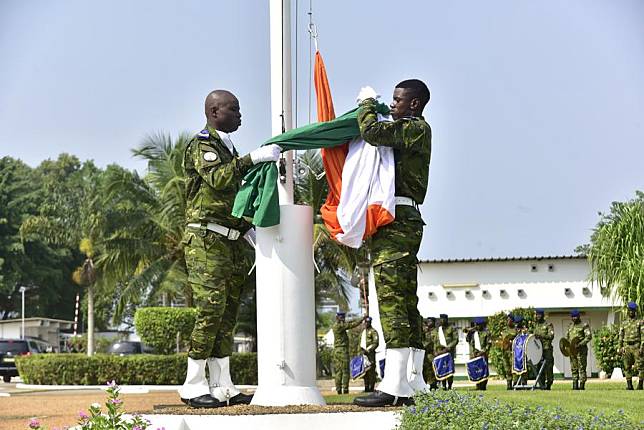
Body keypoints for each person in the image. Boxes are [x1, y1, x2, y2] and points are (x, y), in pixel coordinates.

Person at [178, 89, 281, 408]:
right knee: (210, 310)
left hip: (229, 240)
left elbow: (231, 199)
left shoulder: (225, 146)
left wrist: (246, 227)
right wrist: (252, 159)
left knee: (226, 315)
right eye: (233, 109)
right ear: (213, 111)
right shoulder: (203, 144)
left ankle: (223, 385)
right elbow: (219, 180)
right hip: (205, 240)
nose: (240, 115)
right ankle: (192, 385)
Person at [352, 79, 432, 407]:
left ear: (414, 104)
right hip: (400, 220)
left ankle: (396, 385)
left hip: (398, 223)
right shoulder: (411, 128)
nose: (393, 105)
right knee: (404, 300)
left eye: (398, 100)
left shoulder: (415, 128)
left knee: (391, 301)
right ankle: (413, 382)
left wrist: (366, 105)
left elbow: (373, 133)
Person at [333, 312, 365, 394]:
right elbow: (351, 325)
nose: (344, 319)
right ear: (340, 318)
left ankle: (338, 389)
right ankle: (345, 389)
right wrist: (362, 318)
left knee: (338, 371)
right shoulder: (339, 326)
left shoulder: (337, 325)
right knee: (345, 371)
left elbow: (349, 323)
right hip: (342, 350)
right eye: (342, 318)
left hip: (337, 351)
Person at [619, 302, 643, 390]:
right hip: (627, 347)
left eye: (633, 311)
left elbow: (643, 335)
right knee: (626, 366)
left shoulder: (640, 322)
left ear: (635, 311)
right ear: (628, 311)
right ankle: (629, 385)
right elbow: (621, 336)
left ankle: (640, 385)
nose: (631, 312)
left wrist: (642, 347)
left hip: (637, 346)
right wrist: (620, 347)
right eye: (630, 310)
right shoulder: (624, 323)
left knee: (640, 366)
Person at [566, 309, 592, 390]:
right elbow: (567, 338)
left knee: (582, 368)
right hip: (572, 351)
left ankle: (582, 385)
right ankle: (574, 385)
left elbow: (589, 336)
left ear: (578, 316)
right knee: (574, 368)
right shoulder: (570, 326)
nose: (573, 318)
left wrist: (580, 344)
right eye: (572, 317)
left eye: (575, 317)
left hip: (581, 350)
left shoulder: (584, 325)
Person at [532, 308, 555, 390]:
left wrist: (541, 336)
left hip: (546, 349)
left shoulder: (548, 324)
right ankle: (541, 384)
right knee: (539, 367)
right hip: (538, 350)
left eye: (539, 315)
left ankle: (549, 384)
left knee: (548, 367)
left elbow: (551, 336)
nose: (538, 316)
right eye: (537, 315)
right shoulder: (536, 325)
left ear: (542, 315)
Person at [466, 317, 490, 390]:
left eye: (479, 325)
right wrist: (469, 333)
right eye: (476, 325)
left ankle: (483, 386)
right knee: (476, 370)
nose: (477, 326)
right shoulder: (474, 333)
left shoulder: (486, 332)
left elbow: (489, 344)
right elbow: (468, 341)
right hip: (475, 354)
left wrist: (483, 351)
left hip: (483, 354)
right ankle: (478, 385)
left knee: (484, 370)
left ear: (482, 325)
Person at [435, 313, 458, 390]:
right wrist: (436, 350)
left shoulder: (452, 328)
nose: (442, 320)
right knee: (442, 369)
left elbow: (456, 339)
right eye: (441, 319)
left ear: (446, 320)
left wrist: (448, 347)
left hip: (449, 353)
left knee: (449, 369)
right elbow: (436, 340)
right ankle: (444, 386)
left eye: (443, 319)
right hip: (440, 352)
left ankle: (450, 386)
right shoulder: (439, 329)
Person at [360, 316, 380, 392]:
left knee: (371, 371)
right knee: (365, 371)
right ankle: (366, 388)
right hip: (363, 354)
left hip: (370, 354)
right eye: (365, 322)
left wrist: (368, 350)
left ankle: (371, 388)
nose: (366, 324)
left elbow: (375, 343)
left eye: (368, 322)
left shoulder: (373, 331)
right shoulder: (363, 332)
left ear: (370, 323)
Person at [498, 313, 517, 390]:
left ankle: (515, 383)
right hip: (505, 351)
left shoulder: (515, 330)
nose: (508, 321)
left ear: (512, 321)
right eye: (507, 319)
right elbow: (501, 338)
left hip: (512, 351)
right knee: (507, 368)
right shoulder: (504, 330)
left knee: (513, 368)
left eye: (509, 320)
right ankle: (509, 384)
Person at [422, 317, 439, 390]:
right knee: (425, 370)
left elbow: (431, 342)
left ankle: (433, 384)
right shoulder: (425, 331)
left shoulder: (435, 331)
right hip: (424, 353)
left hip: (431, 353)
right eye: (427, 321)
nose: (428, 323)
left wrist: (423, 346)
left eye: (430, 321)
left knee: (432, 370)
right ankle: (425, 383)